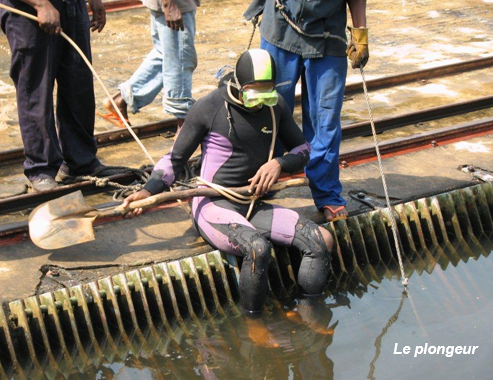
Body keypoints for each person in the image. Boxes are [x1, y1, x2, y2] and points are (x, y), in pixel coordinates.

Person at [122, 49, 333, 321]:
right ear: (239, 87)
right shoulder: (209, 108)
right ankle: (254, 325)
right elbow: (174, 160)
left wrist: (279, 163)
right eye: (254, 94)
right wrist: (147, 191)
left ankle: (309, 316)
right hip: (213, 204)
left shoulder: (275, 106)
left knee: (320, 241)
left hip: (253, 203)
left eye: (267, 93)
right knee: (258, 249)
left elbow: (303, 149)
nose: (260, 103)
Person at [244, 0, 369, 222]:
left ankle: (327, 193)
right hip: (281, 28)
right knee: (271, 109)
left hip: (328, 33)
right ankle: (264, 179)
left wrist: (360, 34)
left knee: (326, 118)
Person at [0, 0, 119, 192]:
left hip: (72, 5)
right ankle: (41, 168)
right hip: (30, 8)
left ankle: (80, 161)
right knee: (36, 90)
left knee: (78, 84)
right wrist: (40, 4)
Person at [101, 0, 199, 134]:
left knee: (165, 53)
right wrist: (168, 4)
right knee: (181, 58)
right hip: (175, 4)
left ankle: (120, 100)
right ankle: (183, 128)